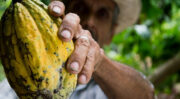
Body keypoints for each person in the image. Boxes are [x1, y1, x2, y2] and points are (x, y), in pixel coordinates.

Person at [0, 0, 155, 99]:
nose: (89, 21)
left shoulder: (113, 87)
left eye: (102, 14)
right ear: (63, 14)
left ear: (111, 33)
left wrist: (99, 62)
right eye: (80, 7)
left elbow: (146, 95)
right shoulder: (19, 80)